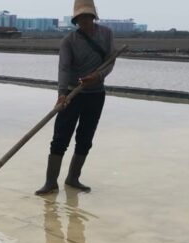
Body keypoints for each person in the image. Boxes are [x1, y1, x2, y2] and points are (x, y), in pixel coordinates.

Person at [35, 0, 116, 195]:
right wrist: (62, 94)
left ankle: (73, 178)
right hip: (72, 94)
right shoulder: (69, 41)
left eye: (87, 17)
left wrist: (96, 76)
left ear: (93, 17)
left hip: (96, 94)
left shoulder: (106, 34)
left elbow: (110, 61)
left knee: (85, 138)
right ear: (76, 19)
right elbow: (64, 68)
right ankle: (51, 183)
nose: (84, 21)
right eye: (80, 18)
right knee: (60, 138)